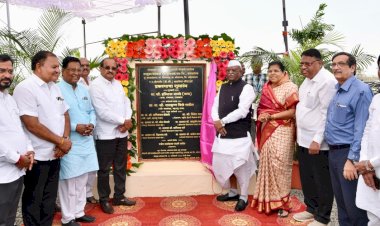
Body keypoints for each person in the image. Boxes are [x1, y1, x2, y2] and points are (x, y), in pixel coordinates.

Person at [13, 51, 72, 226]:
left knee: (49, 200)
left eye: (58, 67)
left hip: (56, 154)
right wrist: (60, 142)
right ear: (39, 66)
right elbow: (32, 124)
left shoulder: (54, 86)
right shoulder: (25, 88)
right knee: (34, 200)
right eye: (54, 66)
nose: (57, 71)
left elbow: (65, 114)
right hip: (36, 157)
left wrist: (65, 140)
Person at [325, 52, 372, 226]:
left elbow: (362, 128)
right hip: (334, 153)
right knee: (342, 205)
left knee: (355, 207)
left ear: (353, 67)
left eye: (341, 64)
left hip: (348, 154)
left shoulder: (360, 90)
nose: (336, 67)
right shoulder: (337, 89)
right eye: (334, 64)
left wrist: (352, 159)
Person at [293, 49, 336, 226]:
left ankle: (322, 217)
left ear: (320, 63)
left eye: (308, 64)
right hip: (303, 138)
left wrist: (317, 139)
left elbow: (327, 114)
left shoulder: (327, 82)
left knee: (321, 180)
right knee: (308, 177)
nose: (304, 67)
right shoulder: (307, 80)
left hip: (317, 142)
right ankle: (311, 209)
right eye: (302, 63)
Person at [251, 61, 299, 217]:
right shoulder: (266, 88)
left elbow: (292, 112)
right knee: (266, 163)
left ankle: (283, 203)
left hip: (283, 130)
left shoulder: (290, 87)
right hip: (267, 129)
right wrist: (263, 115)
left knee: (281, 166)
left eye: (276, 71)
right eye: (270, 71)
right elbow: (261, 109)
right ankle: (267, 200)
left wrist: (271, 116)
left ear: (283, 72)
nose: (272, 73)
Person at [89, 58, 135, 214]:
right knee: (104, 169)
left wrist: (127, 120)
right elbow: (102, 112)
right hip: (105, 135)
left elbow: (126, 102)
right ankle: (104, 199)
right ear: (100, 69)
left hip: (121, 133)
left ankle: (119, 196)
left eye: (113, 68)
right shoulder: (95, 86)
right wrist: (123, 121)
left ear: (116, 70)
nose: (110, 70)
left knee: (120, 166)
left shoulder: (117, 84)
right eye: (107, 67)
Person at [57, 57, 99, 226]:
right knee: (69, 181)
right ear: (63, 71)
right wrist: (76, 127)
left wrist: (91, 124)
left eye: (78, 70)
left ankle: (79, 211)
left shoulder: (83, 89)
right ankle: (68, 217)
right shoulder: (57, 89)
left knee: (83, 179)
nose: (76, 73)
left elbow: (92, 111)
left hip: (87, 141)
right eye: (71, 70)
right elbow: (57, 117)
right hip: (69, 142)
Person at [211, 60, 257, 212]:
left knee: (240, 167)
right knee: (226, 165)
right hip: (223, 135)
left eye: (234, 70)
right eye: (229, 70)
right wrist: (217, 121)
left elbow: (242, 111)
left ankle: (243, 197)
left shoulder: (247, 88)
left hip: (239, 136)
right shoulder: (223, 87)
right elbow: (214, 107)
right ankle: (232, 192)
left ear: (241, 72)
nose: (230, 73)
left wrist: (222, 122)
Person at [0, 54, 35, 226]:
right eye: (2, 71)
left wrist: (29, 149)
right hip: (3, 173)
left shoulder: (9, 98)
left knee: (10, 217)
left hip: (17, 170)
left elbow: (20, 129)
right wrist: (17, 158)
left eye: (10, 71)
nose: (7, 75)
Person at [355, 54, 380, 226]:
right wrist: (365, 163)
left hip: (374, 165)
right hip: (371, 169)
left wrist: (370, 164)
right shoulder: (377, 98)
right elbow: (367, 130)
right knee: (373, 216)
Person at [78, 57, 98, 204]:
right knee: (79, 165)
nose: (85, 68)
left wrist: (92, 124)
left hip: (94, 128)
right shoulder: (73, 84)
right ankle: (77, 197)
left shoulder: (94, 82)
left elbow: (93, 109)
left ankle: (88, 192)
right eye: (82, 65)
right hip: (78, 131)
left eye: (87, 65)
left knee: (92, 164)